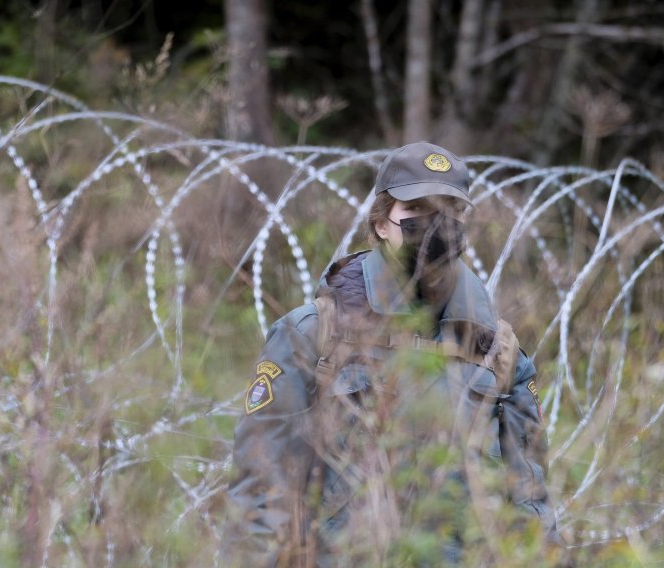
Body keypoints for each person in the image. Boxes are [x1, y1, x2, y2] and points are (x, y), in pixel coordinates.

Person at [222, 142, 560, 566]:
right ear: (381, 223)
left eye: (449, 209)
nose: (434, 223)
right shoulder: (313, 334)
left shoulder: (498, 352)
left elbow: (529, 503)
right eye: (416, 207)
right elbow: (260, 488)